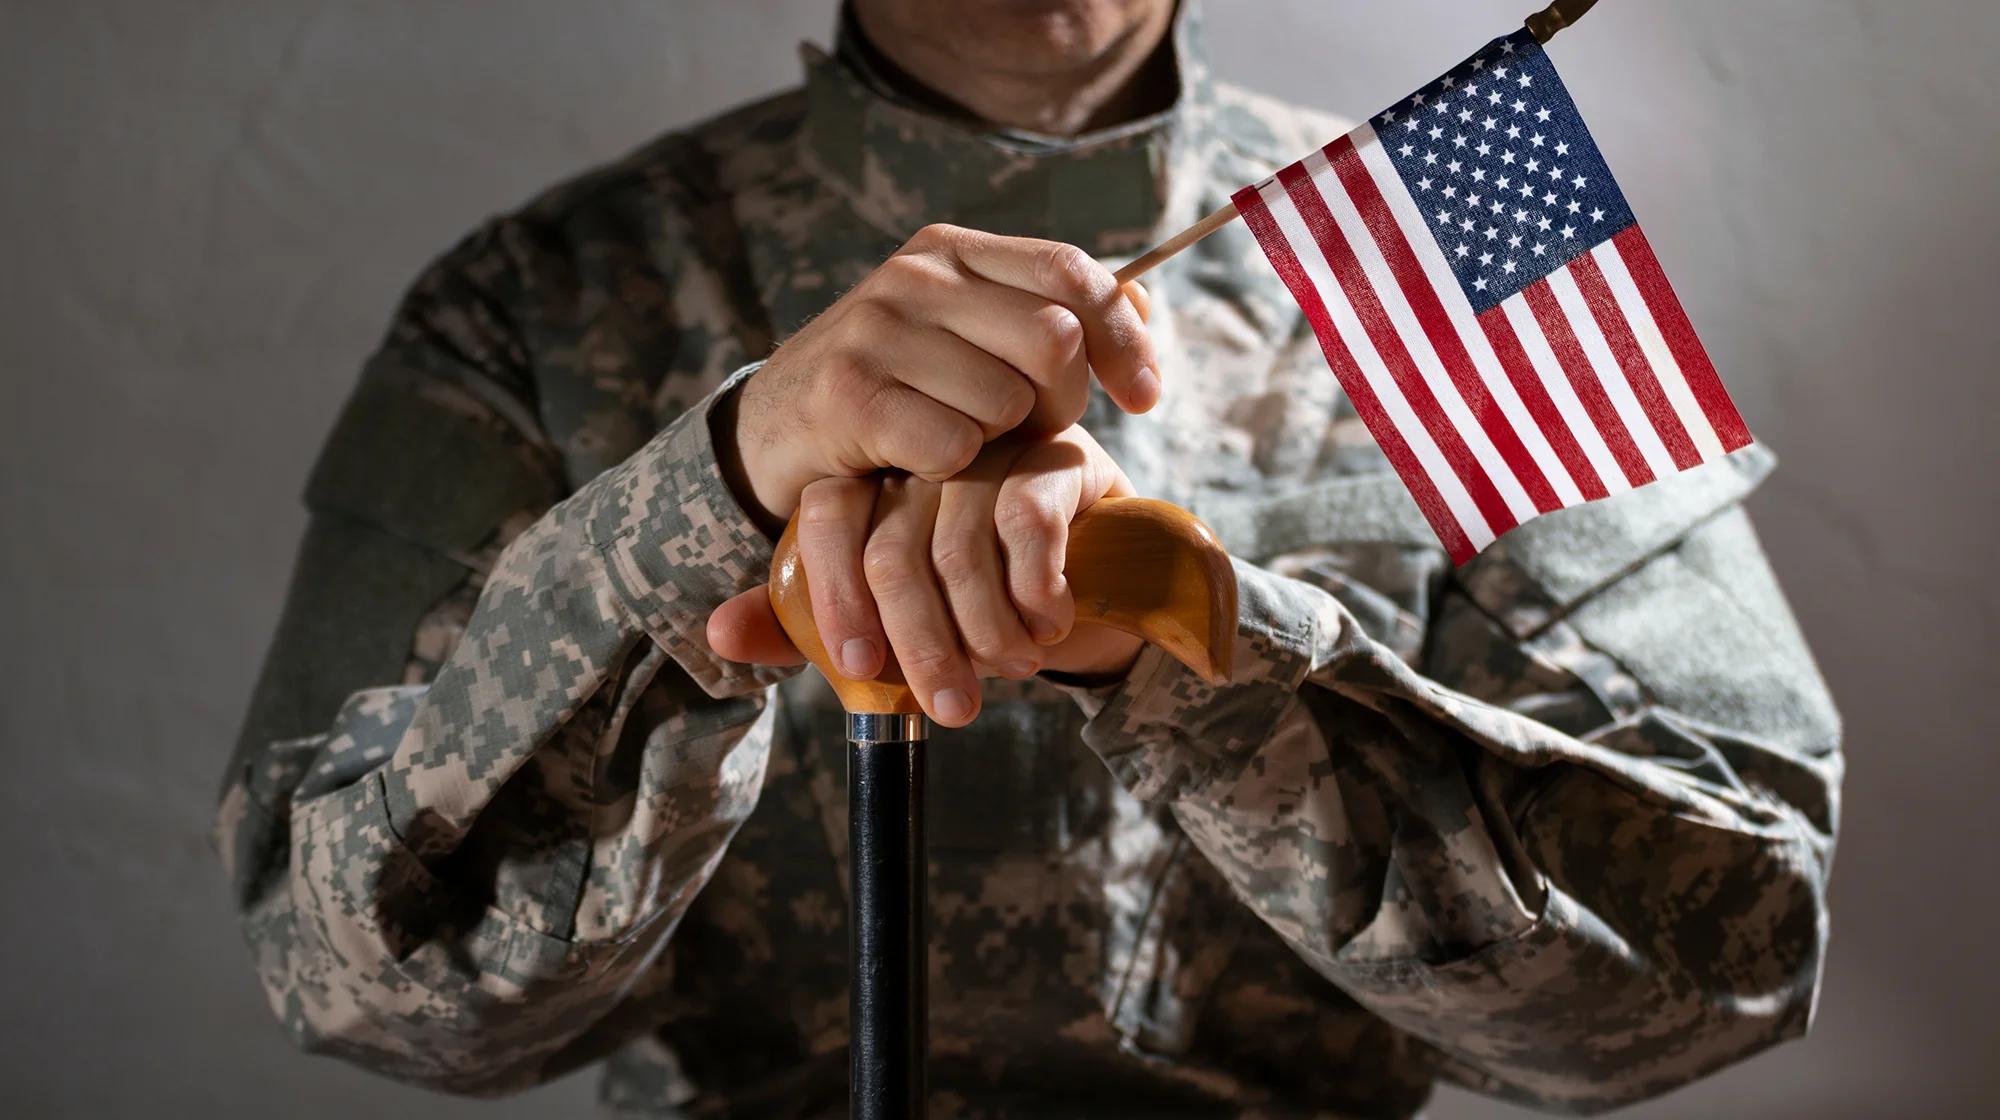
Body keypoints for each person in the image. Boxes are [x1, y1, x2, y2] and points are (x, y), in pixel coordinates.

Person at [214, 1, 1843, 1115]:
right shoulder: (542, 300)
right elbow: (346, 981)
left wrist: (1191, 636)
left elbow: (1731, 954)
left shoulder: (1466, 245)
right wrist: (695, 513)